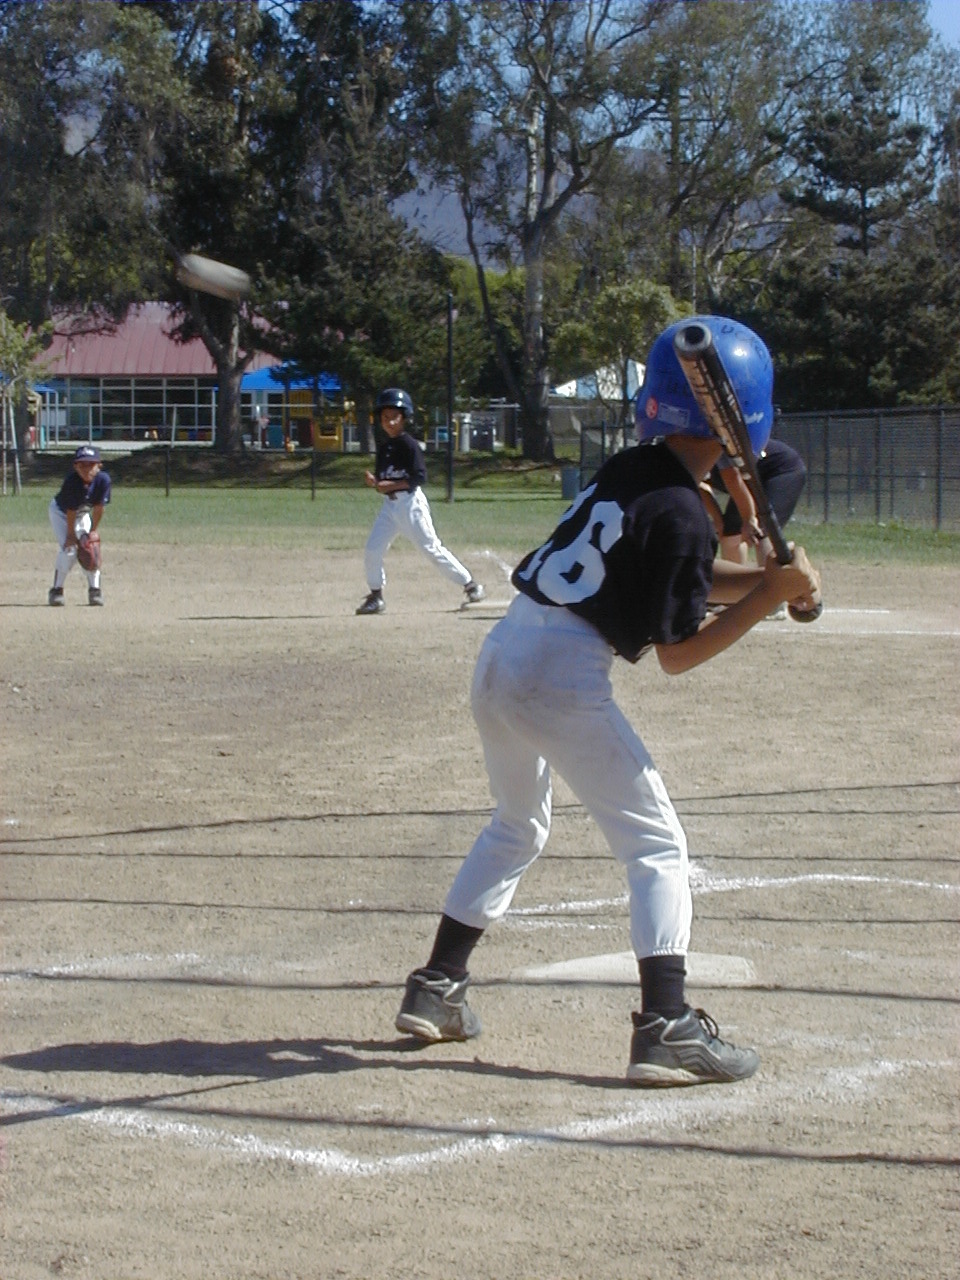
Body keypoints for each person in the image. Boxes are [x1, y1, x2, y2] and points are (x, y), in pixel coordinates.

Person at [394, 316, 821, 1088]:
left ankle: (438, 986)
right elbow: (678, 655)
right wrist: (768, 597)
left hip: (502, 657)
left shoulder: (634, 471)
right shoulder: (686, 514)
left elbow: (682, 575)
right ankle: (667, 1026)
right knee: (657, 848)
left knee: (517, 825)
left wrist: (769, 582)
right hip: (560, 680)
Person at [355, 388, 485, 614]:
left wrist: (389, 486)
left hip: (410, 505)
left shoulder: (409, 445)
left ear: (404, 418)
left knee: (430, 548)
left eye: (394, 417)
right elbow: (385, 480)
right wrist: (375, 481)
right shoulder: (384, 447)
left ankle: (470, 585)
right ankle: (376, 597)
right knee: (372, 549)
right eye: (385, 417)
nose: (389, 422)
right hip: (390, 507)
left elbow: (419, 477)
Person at [701, 434, 807, 619]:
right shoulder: (681, 457)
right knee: (730, 533)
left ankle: (773, 600)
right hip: (749, 480)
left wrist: (750, 519)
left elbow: (733, 478)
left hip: (781, 470)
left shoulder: (711, 443)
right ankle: (731, 596)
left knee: (763, 532)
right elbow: (700, 485)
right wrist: (719, 520)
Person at [48, 444, 111, 606]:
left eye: (91, 464)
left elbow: (99, 509)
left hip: (82, 514)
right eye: (82, 464)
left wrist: (93, 531)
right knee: (69, 550)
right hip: (61, 514)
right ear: (75, 466)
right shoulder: (72, 481)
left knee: (91, 548)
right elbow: (71, 511)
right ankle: (57, 590)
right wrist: (71, 535)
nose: (86, 468)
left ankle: (95, 590)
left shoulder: (103, 480)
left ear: (99, 466)